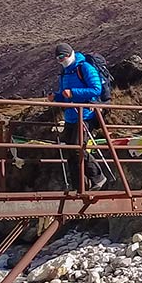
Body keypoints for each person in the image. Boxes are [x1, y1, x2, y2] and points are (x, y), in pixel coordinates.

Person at [53, 42, 107, 191]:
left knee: (78, 148)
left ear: (70, 54)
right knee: (70, 151)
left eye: (63, 57)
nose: (61, 61)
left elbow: (96, 89)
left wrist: (74, 92)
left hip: (85, 115)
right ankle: (79, 187)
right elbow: (65, 96)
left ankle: (98, 177)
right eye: (58, 59)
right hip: (71, 116)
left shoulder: (84, 68)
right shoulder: (64, 73)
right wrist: (56, 97)